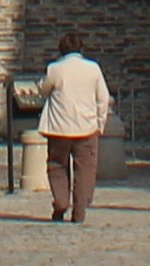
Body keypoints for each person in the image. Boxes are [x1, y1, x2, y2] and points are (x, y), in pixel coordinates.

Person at [38, 42, 113, 221]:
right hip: (86, 127)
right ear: (81, 50)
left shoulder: (55, 69)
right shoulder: (93, 69)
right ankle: (80, 210)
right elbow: (103, 98)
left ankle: (61, 202)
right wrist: (100, 123)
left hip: (59, 128)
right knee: (85, 169)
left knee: (57, 166)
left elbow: (42, 89)